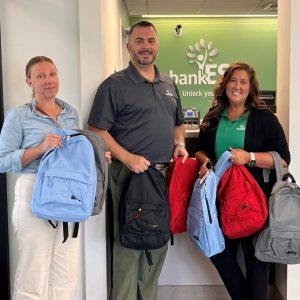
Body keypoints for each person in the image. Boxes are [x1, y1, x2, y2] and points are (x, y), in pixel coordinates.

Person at [88, 20, 188, 300]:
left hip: (161, 176)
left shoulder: (169, 82)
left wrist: (179, 144)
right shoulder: (114, 85)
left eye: (151, 41)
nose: (146, 47)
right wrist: (127, 157)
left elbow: (178, 123)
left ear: (158, 45)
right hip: (129, 175)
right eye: (140, 41)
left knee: (157, 241)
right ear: (128, 46)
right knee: (129, 243)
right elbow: (97, 129)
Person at [195, 61, 290, 300]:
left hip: (255, 200)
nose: (237, 86)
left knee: (256, 259)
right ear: (226, 84)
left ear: (250, 88)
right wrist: (205, 162)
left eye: (243, 82)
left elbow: (283, 160)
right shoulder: (214, 117)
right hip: (221, 200)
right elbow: (201, 150)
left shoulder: (264, 118)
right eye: (233, 80)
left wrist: (248, 157)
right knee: (219, 252)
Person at [0, 56, 83, 300]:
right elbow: (3, 160)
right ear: (29, 81)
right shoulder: (18, 116)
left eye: (53, 74)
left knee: (66, 271)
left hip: (68, 194)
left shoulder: (71, 113)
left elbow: (73, 155)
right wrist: (39, 148)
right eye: (41, 76)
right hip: (33, 190)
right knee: (33, 272)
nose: (49, 81)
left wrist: (96, 156)